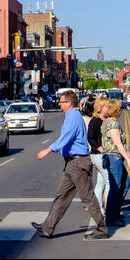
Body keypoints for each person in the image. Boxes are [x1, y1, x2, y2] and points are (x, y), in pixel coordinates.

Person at [31, 90, 108, 239]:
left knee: (88, 197)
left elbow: (66, 137)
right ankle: (48, 226)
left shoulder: (73, 117)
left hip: (78, 163)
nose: (59, 104)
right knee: (62, 195)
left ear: (69, 103)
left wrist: (47, 150)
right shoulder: (72, 116)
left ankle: (102, 229)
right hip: (73, 163)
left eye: (61, 102)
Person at [101, 98, 130, 227]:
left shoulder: (107, 122)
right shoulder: (112, 124)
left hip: (112, 157)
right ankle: (111, 217)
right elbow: (117, 142)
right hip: (114, 157)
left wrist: (126, 153)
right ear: (117, 110)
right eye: (120, 109)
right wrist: (129, 160)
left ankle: (115, 211)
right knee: (115, 187)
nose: (121, 111)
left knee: (125, 183)